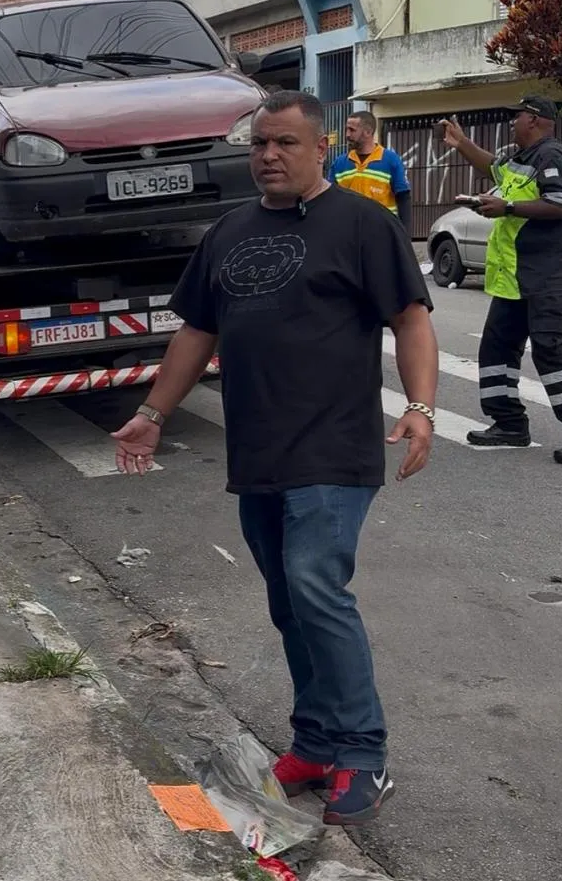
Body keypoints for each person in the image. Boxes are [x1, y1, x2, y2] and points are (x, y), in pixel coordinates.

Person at [112, 90, 439, 826]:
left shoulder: (364, 224)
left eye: (285, 142)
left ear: (321, 148)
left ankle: (364, 752)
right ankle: (316, 743)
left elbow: (411, 320)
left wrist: (420, 408)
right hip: (259, 449)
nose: (268, 155)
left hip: (335, 445)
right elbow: (196, 332)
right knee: (289, 601)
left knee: (316, 586)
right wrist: (152, 414)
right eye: (259, 143)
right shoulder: (229, 231)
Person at [440, 95, 562, 461]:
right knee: (497, 346)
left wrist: (507, 207)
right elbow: (494, 168)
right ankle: (508, 424)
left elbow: (560, 205)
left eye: (516, 116)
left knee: (550, 347)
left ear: (533, 120)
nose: (511, 122)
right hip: (519, 276)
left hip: (552, 274)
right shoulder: (524, 158)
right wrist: (462, 143)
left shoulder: (550, 156)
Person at [330, 111, 413, 233]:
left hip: (382, 233)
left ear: (368, 132)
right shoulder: (339, 163)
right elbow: (330, 200)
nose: (347, 134)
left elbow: (403, 198)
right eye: (346, 129)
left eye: (352, 130)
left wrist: (405, 235)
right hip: (348, 233)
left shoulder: (391, 160)